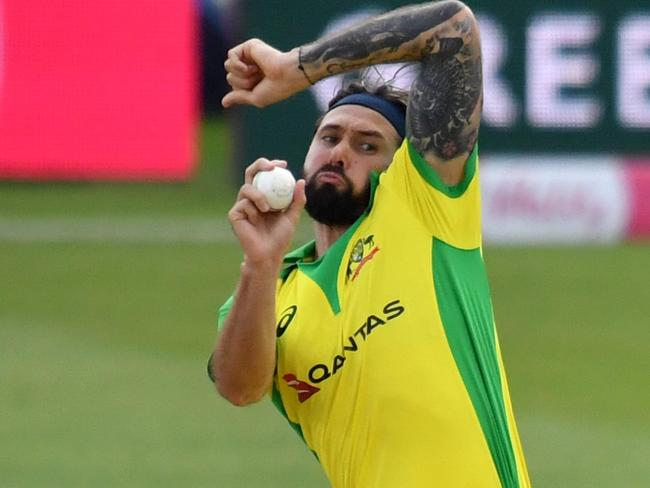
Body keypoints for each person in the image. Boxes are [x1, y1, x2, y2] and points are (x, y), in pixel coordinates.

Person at [208, 1, 532, 486]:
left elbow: (452, 28)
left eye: (368, 146)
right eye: (329, 137)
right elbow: (239, 388)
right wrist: (260, 263)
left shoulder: (424, 208)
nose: (340, 153)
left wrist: (297, 70)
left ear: (401, 166)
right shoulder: (268, 294)